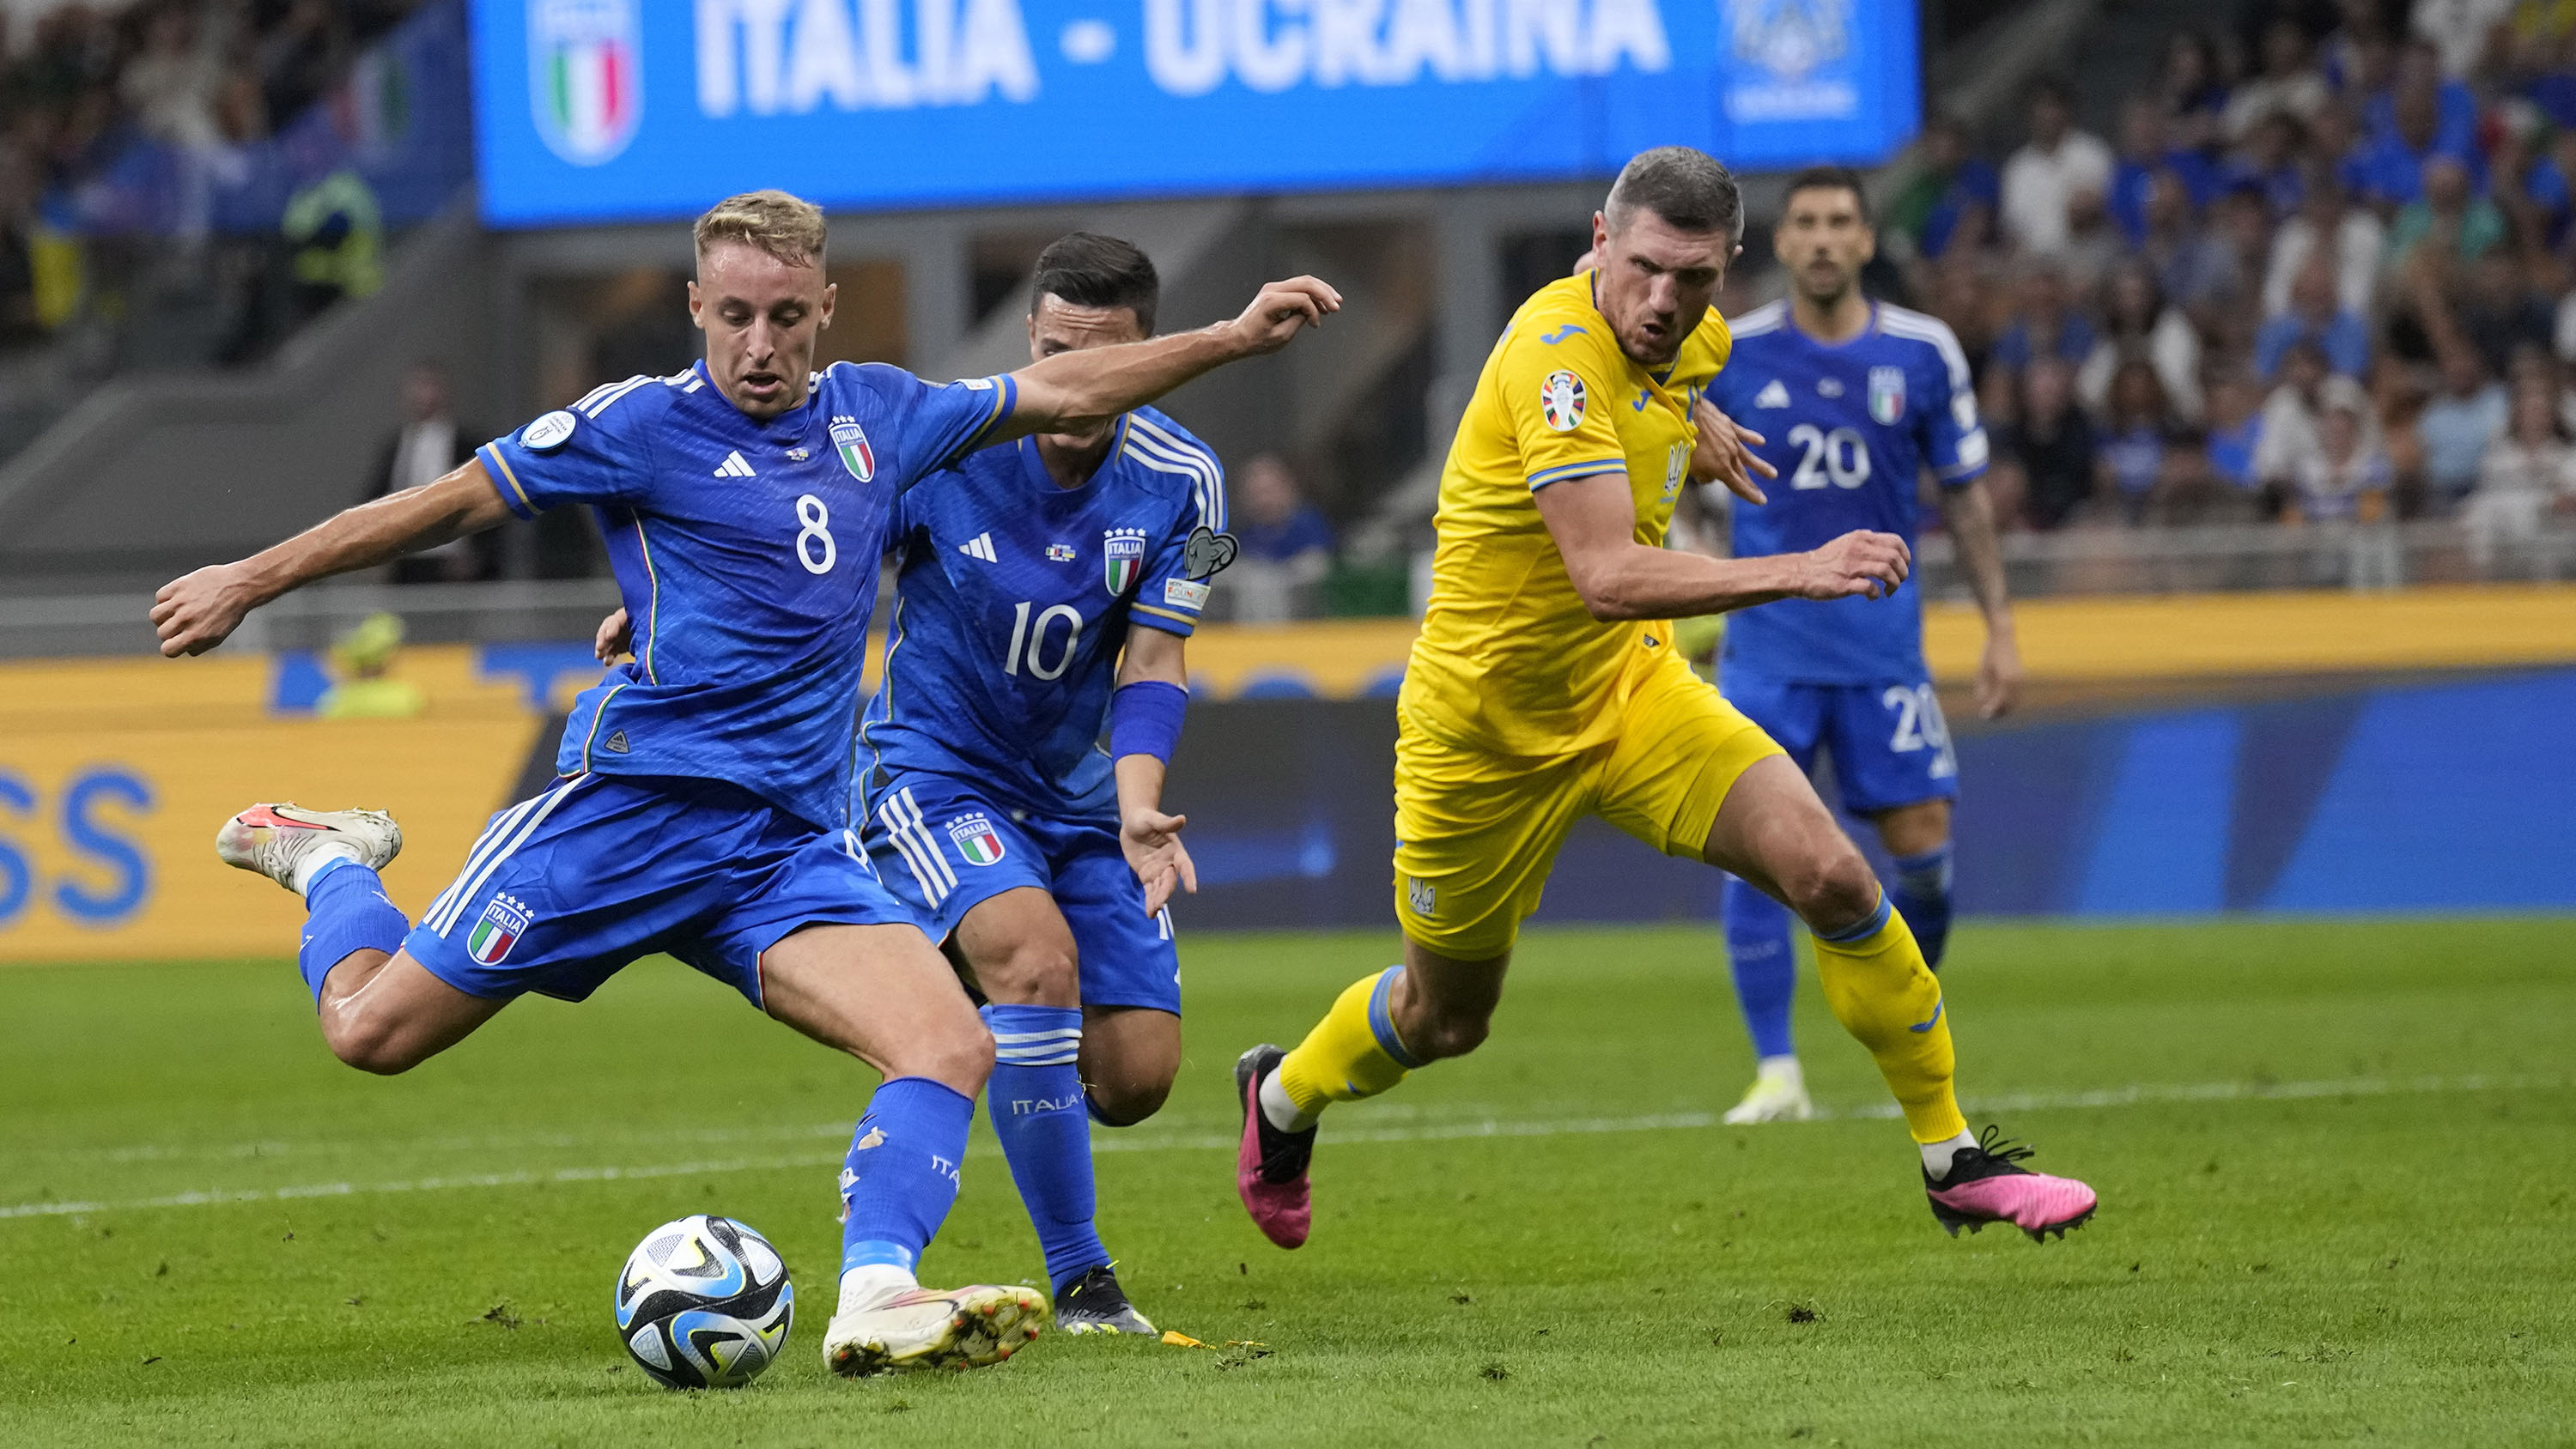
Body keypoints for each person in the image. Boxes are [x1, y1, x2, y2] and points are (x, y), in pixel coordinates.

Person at [149, 190, 1339, 1377]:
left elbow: (1068, 391)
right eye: (732, 317)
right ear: (694, 309)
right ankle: (329, 863)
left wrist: (1232, 339)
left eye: (783, 317)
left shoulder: (887, 414)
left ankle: (876, 1292)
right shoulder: (636, 426)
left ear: (824, 308)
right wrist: (252, 579)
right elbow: (444, 502)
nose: (759, 347)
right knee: (370, 1032)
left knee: (948, 1045)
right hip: (627, 817)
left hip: (780, 850)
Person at [1229, 149, 2095, 1258]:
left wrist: (1697, 423)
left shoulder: (1697, 341)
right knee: (1444, 1018)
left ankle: (1952, 1159)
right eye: (1643, 269)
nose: (1664, 301)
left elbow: (1672, 386)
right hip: (1481, 736)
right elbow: (1604, 577)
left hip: (1633, 693)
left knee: (1832, 873)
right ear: (1599, 239)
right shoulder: (1554, 362)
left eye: (1694, 278)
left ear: (1727, 268)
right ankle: (1284, 1099)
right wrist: (1800, 565)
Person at [852, 232, 1219, 1336]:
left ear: (1145, 354)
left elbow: (1154, 663)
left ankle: (968, 976)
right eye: (1055, 352)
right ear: (1029, 339)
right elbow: (804, 561)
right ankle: (1084, 1279)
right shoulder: (943, 447)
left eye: (1101, 359)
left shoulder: (1182, 481)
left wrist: (1139, 803)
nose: (1072, 384)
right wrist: (675, 612)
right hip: (935, 766)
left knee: (1139, 1078)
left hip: (1082, 794)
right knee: (1036, 959)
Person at [1696, 167, 2025, 1125]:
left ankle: (1904, 1043)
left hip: (1884, 649)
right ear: (1782, 245)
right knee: (1755, 851)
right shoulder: (1729, 352)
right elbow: (1665, 460)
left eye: (1843, 221)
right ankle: (1776, 1072)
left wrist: (2000, 626)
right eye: (1807, 223)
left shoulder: (1924, 353)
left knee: (1923, 855)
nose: (1826, 237)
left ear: (1868, 241)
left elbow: (1963, 494)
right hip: (1766, 647)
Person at [369, 363, 495, 585]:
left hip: (450, 560)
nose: (424, 394)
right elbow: (377, 497)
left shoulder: (467, 446)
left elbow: (488, 498)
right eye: (418, 386)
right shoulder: (397, 446)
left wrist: (477, 553)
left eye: (431, 385)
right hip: (405, 560)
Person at [2464, 379, 2576, 577]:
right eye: (2530, 411)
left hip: (2556, 546)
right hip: (2508, 541)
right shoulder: (2497, 458)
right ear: (2517, 415)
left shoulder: (2567, 456)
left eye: (2541, 411)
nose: (2536, 418)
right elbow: (2489, 497)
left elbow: (2567, 501)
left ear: (2552, 415)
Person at [2001, 78, 2115, 258]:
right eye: (2040, 107)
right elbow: (2014, 230)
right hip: (2034, 263)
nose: (2046, 115)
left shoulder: (2091, 152)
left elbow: (2105, 211)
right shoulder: (2018, 166)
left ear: (2066, 110)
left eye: (2052, 106)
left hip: (2084, 254)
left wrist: (2085, 210)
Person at [1228, 455, 1334, 623]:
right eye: (1255, 493)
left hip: (1303, 623)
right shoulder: (1240, 530)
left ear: (1288, 489)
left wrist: (1277, 578)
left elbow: (1318, 567)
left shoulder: (1307, 523)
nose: (1263, 500)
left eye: (1269, 491)